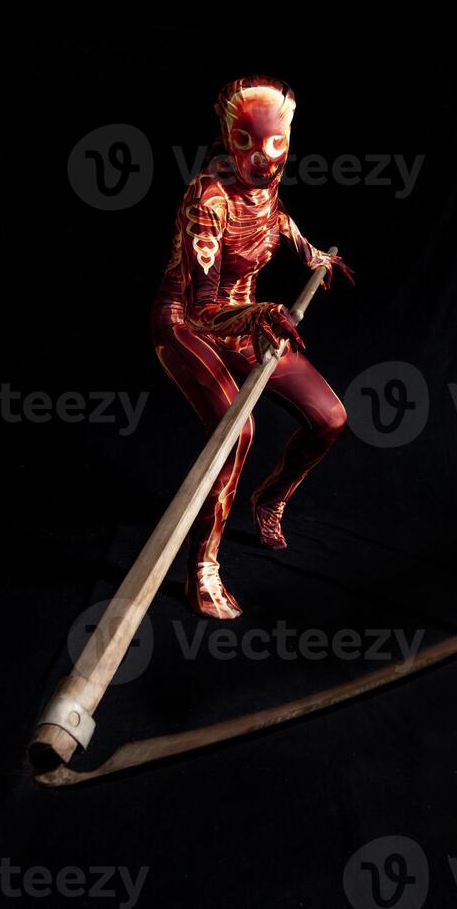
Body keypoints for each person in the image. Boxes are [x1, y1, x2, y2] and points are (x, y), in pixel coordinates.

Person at [150, 75, 354, 620]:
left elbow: (274, 217)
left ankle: (270, 499)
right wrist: (263, 312)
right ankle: (202, 567)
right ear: (226, 137)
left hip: (248, 320)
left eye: (276, 144)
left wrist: (309, 252)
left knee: (330, 417)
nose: (263, 159)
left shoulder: (264, 186)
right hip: (189, 323)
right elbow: (201, 308)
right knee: (236, 430)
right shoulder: (207, 196)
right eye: (246, 143)